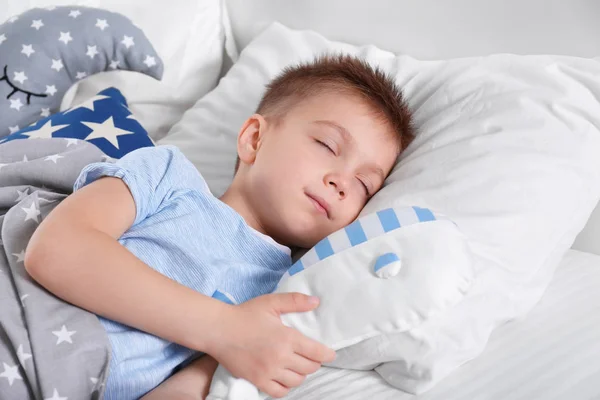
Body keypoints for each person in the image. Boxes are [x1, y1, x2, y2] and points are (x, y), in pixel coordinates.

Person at [25, 54, 414, 399]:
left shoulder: (285, 296)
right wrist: (222, 327)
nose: (341, 182)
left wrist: (235, 339)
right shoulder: (168, 176)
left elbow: (186, 390)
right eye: (328, 145)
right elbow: (57, 249)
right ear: (254, 139)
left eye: (364, 184)